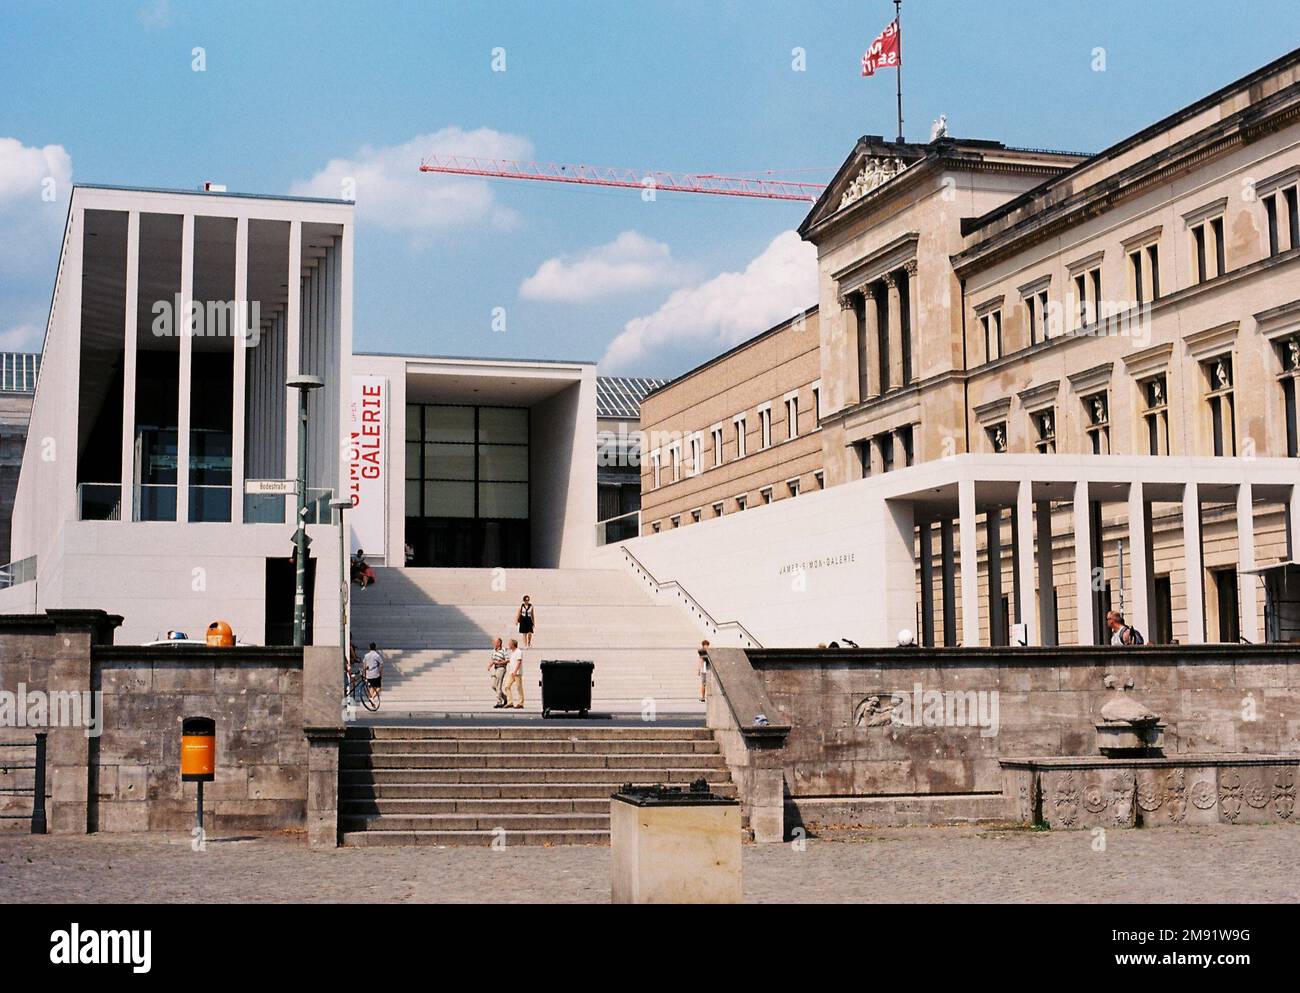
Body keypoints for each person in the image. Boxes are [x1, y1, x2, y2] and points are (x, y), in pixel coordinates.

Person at [487, 636, 510, 708]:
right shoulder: (494, 650)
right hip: (495, 669)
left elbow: (508, 660)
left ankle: (499, 702)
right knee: (493, 686)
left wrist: (500, 662)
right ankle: (505, 698)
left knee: (498, 686)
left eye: (495, 642)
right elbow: (492, 659)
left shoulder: (503, 650)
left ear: (499, 643)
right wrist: (490, 665)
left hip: (501, 668)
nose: (493, 643)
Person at [502, 638, 525, 709]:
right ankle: (510, 702)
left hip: (517, 673)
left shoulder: (518, 651)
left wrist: (515, 671)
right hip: (511, 673)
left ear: (513, 645)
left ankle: (521, 703)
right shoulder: (513, 652)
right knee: (506, 686)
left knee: (519, 688)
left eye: (509, 644)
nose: (508, 645)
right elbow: (512, 661)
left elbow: (519, 662)